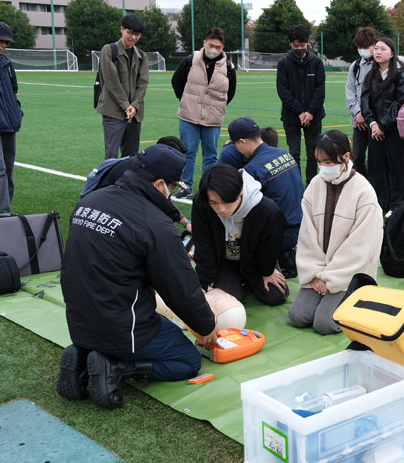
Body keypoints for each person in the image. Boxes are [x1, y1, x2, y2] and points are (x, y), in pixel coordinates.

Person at [57, 144, 218, 409]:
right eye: (173, 187)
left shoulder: (89, 201)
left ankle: (85, 354)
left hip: (78, 322)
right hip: (123, 328)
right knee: (187, 360)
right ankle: (117, 367)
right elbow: (179, 286)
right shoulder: (154, 223)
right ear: (158, 185)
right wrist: (206, 325)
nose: (173, 194)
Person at [288, 130, 383, 334]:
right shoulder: (315, 185)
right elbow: (307, 235)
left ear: (345, 157)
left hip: (349, 273)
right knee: (298, 316)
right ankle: (330, 295)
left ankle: (361, 296)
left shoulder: (364, 192)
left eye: (328, 162)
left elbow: (361, 247)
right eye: (319, 162)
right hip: (319, 270)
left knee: (324, 324)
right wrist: (314, 274)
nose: (323, 167)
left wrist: (329, 279)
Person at [192, 163, 289, 307]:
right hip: (225, 260)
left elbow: (270, 246)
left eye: (227, 202)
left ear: (241, 192)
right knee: (228, 300)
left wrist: (267, 271)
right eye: (214, 203)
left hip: (256, 259)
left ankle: (247, 279)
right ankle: (237, 280)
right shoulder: (202, 204)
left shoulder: (267, 210)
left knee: (275, 296)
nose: (221, 209)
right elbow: (203, 244)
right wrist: (202, 282)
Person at [224, 117, 304, 278]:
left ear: (242, 142)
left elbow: (243, 213)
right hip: (302, 231)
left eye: (235, 145)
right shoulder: (285, 154)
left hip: (281, 238)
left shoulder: (252, 170)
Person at [171, 27, 237, 198]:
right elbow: (177, 81)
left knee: (211, 155)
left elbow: (230, 93)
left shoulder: (228, 67)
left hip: (213, 119)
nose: (213, 49)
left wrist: (215, 107)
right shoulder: (190, 60)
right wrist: (186, 100)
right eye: (211, 45)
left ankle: (208, 187)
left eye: (218, 47)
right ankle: (185, 186)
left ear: (223, 48)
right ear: (204, 43)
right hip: (188, 116)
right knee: (188, 152)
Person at [86, 136, 193, 232]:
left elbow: (163, 199)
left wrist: (184, 222)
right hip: (101, 211)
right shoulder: (130, 169)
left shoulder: (147, 168)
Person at [360, 37, 404, 215]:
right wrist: (373, 124)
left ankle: (397, 204)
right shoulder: (370, 75)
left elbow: (401, 103)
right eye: (376, 48)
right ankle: (380, 203)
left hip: (394, 131)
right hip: (374, 131)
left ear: (392, 53)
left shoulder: (400, 75)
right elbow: (365, 102)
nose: (378, 52)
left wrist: (383, 125)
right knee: (376, 168)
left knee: (397, 168)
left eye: (383, 49)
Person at [95, 13, 149, 160]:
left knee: (131, 157)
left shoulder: (142, 56)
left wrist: (135, 106)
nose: (133, 37)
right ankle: (107, 183)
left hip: (135, 114)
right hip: (113, 112)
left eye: (137, 34)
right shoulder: (109, 50)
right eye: (130, 33)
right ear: (122, 30)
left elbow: (143, 83)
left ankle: (126, 183)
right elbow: (111, 82)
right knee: (111, 156)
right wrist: (126, 106)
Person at [277, 24, 326, 185]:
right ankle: (296, 185)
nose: (299, 48)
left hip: (314, 115)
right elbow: (283, 91)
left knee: (313, 153)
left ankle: (312, 185)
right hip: (291, 116)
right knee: (294, 153)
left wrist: (310, 112)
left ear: (308, 42)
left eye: (302, 45)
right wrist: (299, 111)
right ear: (290, 44)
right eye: (295, 45)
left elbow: (320, 90)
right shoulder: (283, 64)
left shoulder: (317, 63)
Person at [0, 21, 22, 215]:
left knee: (7, 171)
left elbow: (13, 92)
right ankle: (1, 214)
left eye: (7, 42)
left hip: (9, 125)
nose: (4, 45)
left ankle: (5, 210)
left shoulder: (6, 63)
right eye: (0, 40)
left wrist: (16, 113)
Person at [344, 27, 378, 178]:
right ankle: (364, 183)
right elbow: (350, 91)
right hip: (358, 121)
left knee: (377, 158)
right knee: (357, 156)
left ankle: (378, 187)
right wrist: (357, 112)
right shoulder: (355, 66)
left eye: (366, 47)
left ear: (373, 45)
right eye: (360, 47)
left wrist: (367, 114)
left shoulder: (381, 64)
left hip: (376, 121)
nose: (363, 50)